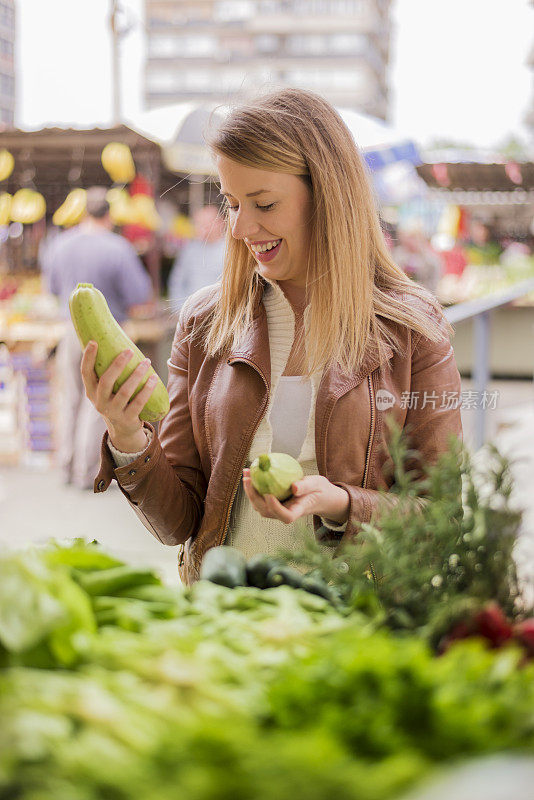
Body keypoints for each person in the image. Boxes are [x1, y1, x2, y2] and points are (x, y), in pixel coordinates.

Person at [81, 88, 463, 585]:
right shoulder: (204, 325)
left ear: (328, 195)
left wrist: (344, 504)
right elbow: (178, 523)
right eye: (232, 203)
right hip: (229, 622)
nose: (240, 228)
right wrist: (128, 434)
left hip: (355, 626)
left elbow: (443, 518)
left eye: (262, 203)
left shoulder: (413, 329)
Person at [46, 186, 153, 489]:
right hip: (108, 338)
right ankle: (87, 473)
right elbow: (138, 294)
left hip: (69, 331)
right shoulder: (118, 247)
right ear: (108, 215)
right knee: (100, 404)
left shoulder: (59, 244)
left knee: (70, 399)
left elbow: (52, 289)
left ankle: (66, 468)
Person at [167, 205, 226, 310]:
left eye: (207, 224)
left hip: (219, 313)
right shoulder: (189, 250)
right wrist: (180, 311)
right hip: (190, 313)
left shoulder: (229, 251)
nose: (203, 229)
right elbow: (176, 283)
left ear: (220, 223)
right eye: (199, 224)